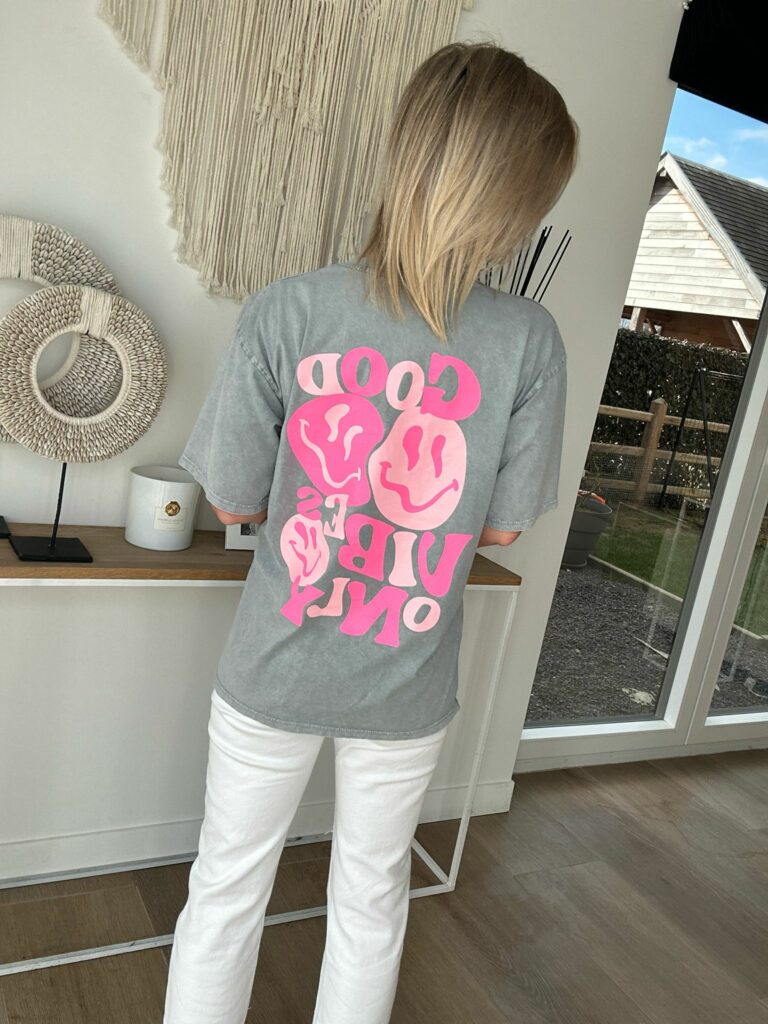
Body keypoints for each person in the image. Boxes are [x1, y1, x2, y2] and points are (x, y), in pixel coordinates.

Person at [164, 38, 579, 1024]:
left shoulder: (288, 311)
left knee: (225, 891)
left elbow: (233, 502)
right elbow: (504, 530)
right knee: (370, 899)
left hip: (273, 669)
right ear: (511, 196)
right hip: (407, 680)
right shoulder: (528, 341)